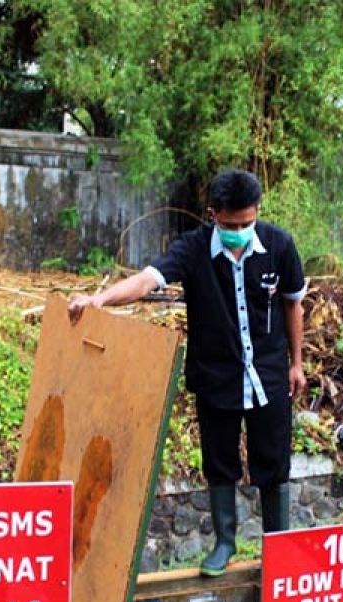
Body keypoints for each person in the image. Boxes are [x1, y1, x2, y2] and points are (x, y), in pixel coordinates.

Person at [68, 169, 307, 575]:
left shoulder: (279, 246)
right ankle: (225, 542)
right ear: (213, 215)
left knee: (274, 461)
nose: (239, 232)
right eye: (230, 225)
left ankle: (278, 546)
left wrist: (297, 364)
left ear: (257, 213)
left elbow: (293, 304)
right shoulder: (193, 250)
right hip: (216, 378)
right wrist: (101, 299)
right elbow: (147, 280)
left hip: (268, 374)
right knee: (219, 461)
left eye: (247, 224)